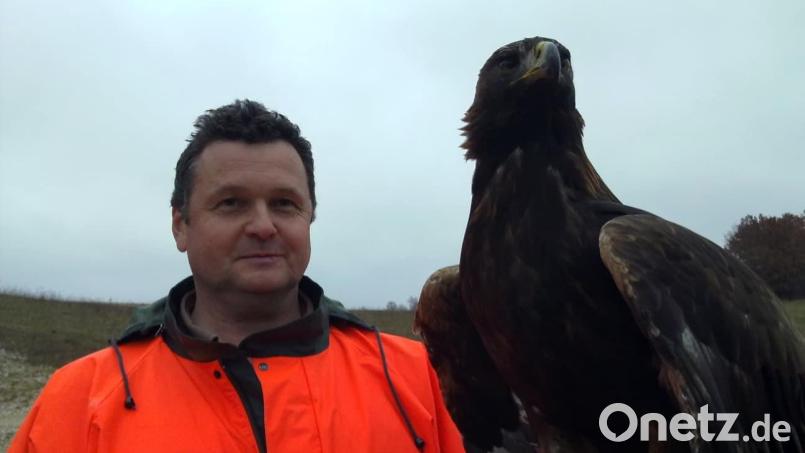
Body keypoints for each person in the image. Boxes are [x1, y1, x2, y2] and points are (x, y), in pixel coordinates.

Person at [10, 99, 465, 453]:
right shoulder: (79, 399)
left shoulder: (422, 379)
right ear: (180, 225)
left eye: (284, 203)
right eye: (231, 203)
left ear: (309, 217)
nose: (263, 225)